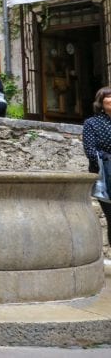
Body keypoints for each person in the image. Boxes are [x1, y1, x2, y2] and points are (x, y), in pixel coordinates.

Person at [82, 86, 111, 246]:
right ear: (101, 101)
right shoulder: (92, 123)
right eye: (109, 96)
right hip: (106, 177)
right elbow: (91, 151)